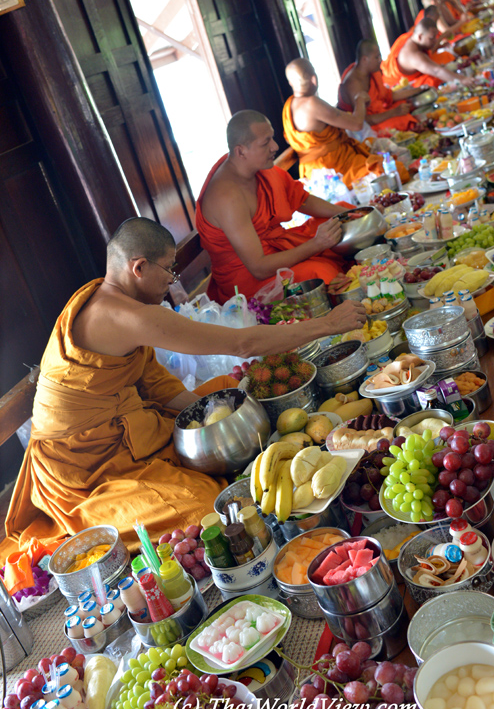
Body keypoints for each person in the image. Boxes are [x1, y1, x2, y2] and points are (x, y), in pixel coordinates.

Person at [3, 217, 366, 555]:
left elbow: (155, 383)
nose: (173, 280)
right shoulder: (125, 316)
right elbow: (242, 344)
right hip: (83, 468)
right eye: (169, 268)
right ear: (139, 267)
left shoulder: (114, 298)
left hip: (127, 426)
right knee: (205, 506)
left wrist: (212, 422)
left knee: (226, 392)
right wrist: (326, 325)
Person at [196, 110, 360, 303]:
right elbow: (258, 268)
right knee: (321, 272)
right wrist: (316, 244)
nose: (275, 146)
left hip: (276, 247)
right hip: (247, 278)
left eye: (272, 138)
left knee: (341, 216)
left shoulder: (256, 167)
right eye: (265, 143)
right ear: (241, 151)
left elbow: (301, 199)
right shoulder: (227, 197)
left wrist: (351, 212)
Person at [282, 58, 407, 187]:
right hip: (334, 167)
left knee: (383, 158)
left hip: (315, 169)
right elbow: (357, 124)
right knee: (395, 170)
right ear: (314, 78)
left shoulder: (289, 106)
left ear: (291, 83)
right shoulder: (311, 103)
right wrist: (359, 100)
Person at [338, 40, 422, 134]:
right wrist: (394, 112)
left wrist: (419, 90)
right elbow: (363, 120)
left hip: (378, 113)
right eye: (376, 57)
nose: (380, 60)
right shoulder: (353, 83)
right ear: (365, 59)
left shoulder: (371, 72)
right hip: (365, 128)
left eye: (380, 56)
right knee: (404, 119)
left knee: (406, 104)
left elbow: (389, 95)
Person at [381, 18, 476, 89]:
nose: (435, 41)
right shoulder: (413, 55)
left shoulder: (409, 37)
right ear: (420, 36)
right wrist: (462, 80)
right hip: (398, 87)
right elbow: (436, 71)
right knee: (433, 80)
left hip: (411, 75)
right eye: (431, 38)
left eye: (436, 37)